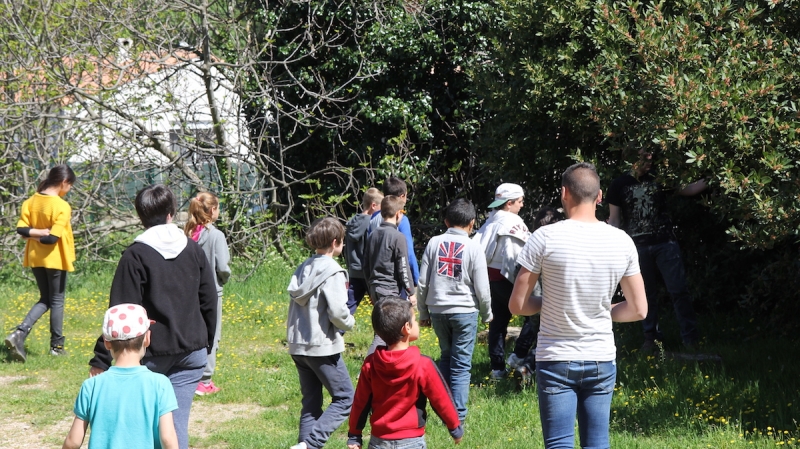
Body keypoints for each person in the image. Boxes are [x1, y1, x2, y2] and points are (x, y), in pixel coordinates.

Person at [509, 162, 648, 449]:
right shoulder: (621, 241)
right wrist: (601, 310)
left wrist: (549, 302)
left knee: (559, 444)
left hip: (556, 357)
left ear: (564, 193)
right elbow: (638, 310)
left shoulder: (543, 238)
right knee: (598, 443)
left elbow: (518, 305)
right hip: (600, 356)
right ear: (599, 198)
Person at [88, 184, 218, 449]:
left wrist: (101, 358)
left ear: (140, 215)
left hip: (149, 354)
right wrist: (207, 342)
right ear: (172, 212)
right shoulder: (194, 250)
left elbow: (120, 311)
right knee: (175, 428)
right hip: (192, 352)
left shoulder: (135, 255)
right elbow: (210, 300)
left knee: (140, 429)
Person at [606, 149, 705, 351]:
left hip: (665, 243)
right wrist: (611, 246)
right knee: (645, 293)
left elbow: (689, 189)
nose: (649, 161)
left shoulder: (660, 178)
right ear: (632, 159)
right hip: (636, 248)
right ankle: (651, 339)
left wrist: (715, 177)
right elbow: (614, 219)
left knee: (678, 290)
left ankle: (690, 339)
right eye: (644, 158)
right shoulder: (618, 184)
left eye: (651, 157)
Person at [348, 297, 463, 449]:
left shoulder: (371, 363)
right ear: (407, 327)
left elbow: (360, 402)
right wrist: (454, 427)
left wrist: (354, 435)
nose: (416, 324)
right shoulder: (423, 364)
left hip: (379, 441)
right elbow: (441, 398)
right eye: (414, 320)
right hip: (412, 441)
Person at [63, 304, 179, 449]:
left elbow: (73, 442)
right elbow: (167, 438)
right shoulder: (160, 384)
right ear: (147, 338)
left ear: (107, 343)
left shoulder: (92, 385)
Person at [417, 198, 492, 422]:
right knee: (461, 364)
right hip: (465, 311)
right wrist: (488, 313)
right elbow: (482, 287)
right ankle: (457, 416)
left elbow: (422, 283)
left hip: (438, 309)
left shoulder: (433, 243)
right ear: (472, 223)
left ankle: (442, 408)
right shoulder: (473, 247)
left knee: (446, 357)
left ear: (446, 221)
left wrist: (422, 312)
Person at [287, 217, 355, 449]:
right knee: (345, 397)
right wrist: (350, 323)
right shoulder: (334, 271)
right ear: (335, 242)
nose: (343, 246)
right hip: (321, 345)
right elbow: (337, 312)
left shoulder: (303, 267)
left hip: (298, 345)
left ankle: (303, 446)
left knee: (311, 404)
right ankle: (311, 444)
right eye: (343, 242)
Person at [5, 164, 77, 362]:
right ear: (63, 182)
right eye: (70, 185)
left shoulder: (31, 201)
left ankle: (19, 333)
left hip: (36, 257)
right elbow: (52, 239)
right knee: (56, 301)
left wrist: (33, 234)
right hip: (55, 258)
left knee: (45, 298)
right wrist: (43, 234)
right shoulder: (61, 206)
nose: (69, 190)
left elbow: (22, 230)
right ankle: (57, 346)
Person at [472, 182, 530, 379]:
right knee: (535, 317)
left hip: (490, 282)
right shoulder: (512, 223)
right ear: (509, 203)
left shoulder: (489, 222)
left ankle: (497, 369)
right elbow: (516, 259)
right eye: (520, 201)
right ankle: (518, 356)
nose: (521, 205)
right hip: (508, 281)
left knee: (497, 323)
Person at [506, 206, 565, 380]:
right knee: (544, 341)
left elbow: (518, 272)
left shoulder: (530, 248)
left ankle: (519, 362)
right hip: (552, 305)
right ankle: (528, 368)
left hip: (531, 303)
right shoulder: (558, 251)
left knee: (534, 331)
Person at [184, 192, 231, 396]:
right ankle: (205, 380)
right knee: (212, 333)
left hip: (190, 291)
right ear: (212, 211)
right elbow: (223, 266)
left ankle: (190, 374)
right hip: (213, 291)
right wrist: (224, 279)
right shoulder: (216, 235)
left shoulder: (187, 233)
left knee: (194, 331)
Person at [363, 195, 416, 355]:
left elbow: (365, 265)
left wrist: (370, 288)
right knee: (387, 330)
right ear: (399, 214)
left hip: (375, 288)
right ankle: (368, 365)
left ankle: (382, 362)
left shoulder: (373, 235)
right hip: (389, 289)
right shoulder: (398, 237)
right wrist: (411, 292)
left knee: (381, 325)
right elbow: (403, 267)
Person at [368, 176, 420, 288]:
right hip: (396, 281)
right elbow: (408, 252)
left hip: (376, 280)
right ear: (402, 196)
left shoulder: (373, 218)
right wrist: (416, 279)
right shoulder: (401, 219)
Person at [344, 187, 383, 317]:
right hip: (368, 273)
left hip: (354, 271)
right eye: (381, 207)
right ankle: (381, 336)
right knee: (381, 306)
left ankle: (333, 334)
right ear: (373, 205)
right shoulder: (371, 224)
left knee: (348, 307)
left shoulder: (351, 223)